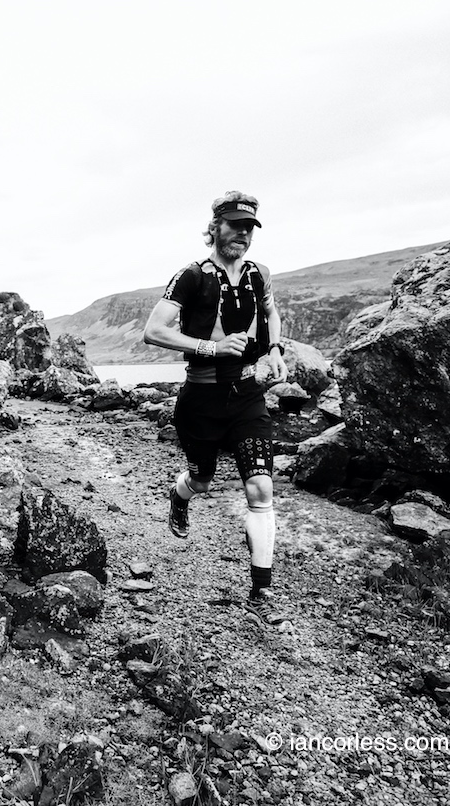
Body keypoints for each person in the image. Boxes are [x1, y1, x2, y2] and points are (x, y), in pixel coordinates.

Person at [142, 190, 290, 612]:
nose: (242, 234)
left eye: (249, 228)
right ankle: (180, 497)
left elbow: (270, 311)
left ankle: (261, 591)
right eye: (234, 225)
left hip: (247, 396)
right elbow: (153, 331)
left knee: (260, 487)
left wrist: (274, 348)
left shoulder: (259, 274)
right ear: (216, 227)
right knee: (202, 481)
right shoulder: (192, 275)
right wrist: (212, 347)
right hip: (201, 399)